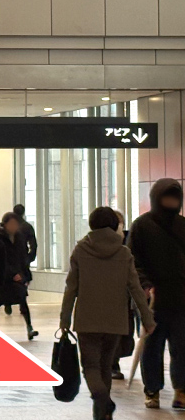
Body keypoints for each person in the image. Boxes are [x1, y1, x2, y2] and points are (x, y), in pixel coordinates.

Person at [61, 207, 156, 420]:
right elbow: (135, 289)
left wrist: (64, 318)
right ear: (115, 225)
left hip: (87, 319)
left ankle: (103, 399)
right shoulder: (124, 253)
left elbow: (71, 287)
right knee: (105, 366)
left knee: (90, 366)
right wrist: (147, 319)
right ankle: (102, 414)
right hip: (115, 319)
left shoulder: (81, 250)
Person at [128, 178, 185, 410]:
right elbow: (133, 260)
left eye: (175, 198)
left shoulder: (182, 225)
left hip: (180, 298)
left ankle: (181, 390)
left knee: (182, 346)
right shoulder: (142, 226)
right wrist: (145, 284)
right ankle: (152, 389)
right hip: (151, 299)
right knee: (151, 346)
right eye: (166, 198)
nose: (171, 202)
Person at [0, 212, 38, 340]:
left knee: (22, 299)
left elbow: (22, 257)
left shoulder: (19, 237)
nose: (14, 226)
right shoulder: (0, 238)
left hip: (19, 275)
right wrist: (11, 274)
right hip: (4, 277)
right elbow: (1, 260)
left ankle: (29, 327)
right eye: (11, 224)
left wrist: (24, 275)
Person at [111, 210, 135, 381]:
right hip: (109, 296)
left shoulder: (129, 242)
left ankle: (114, 360)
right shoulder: (90, 245)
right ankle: (112, 364)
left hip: (125, 295)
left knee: (125, 332)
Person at [8, 204, 38, 316]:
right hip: (22, 258)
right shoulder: (27, 227)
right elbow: (33, 244)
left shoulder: (8, 226)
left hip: (10, 258)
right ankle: (22, 302)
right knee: (23, 279)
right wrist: (30, 257)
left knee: (10, 279)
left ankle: (8, 302)